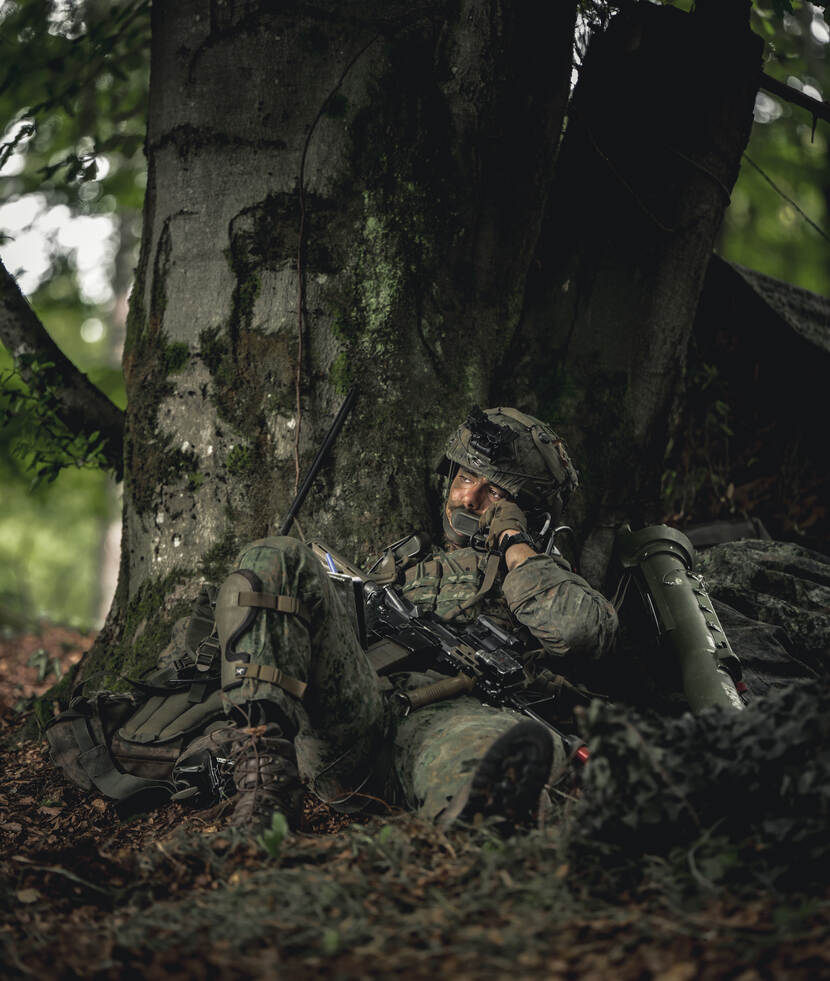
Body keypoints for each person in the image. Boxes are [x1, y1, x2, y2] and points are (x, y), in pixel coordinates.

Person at [204, 406, 619, 832]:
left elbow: (578, 632)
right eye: (466, 478)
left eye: (496, 494)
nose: (471, 498)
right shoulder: (399, 563)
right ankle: (264, 788)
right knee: (278, 555)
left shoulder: (549, 576)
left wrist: (514, 543)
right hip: (356, 716)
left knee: (495, 778)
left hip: (453, 725)